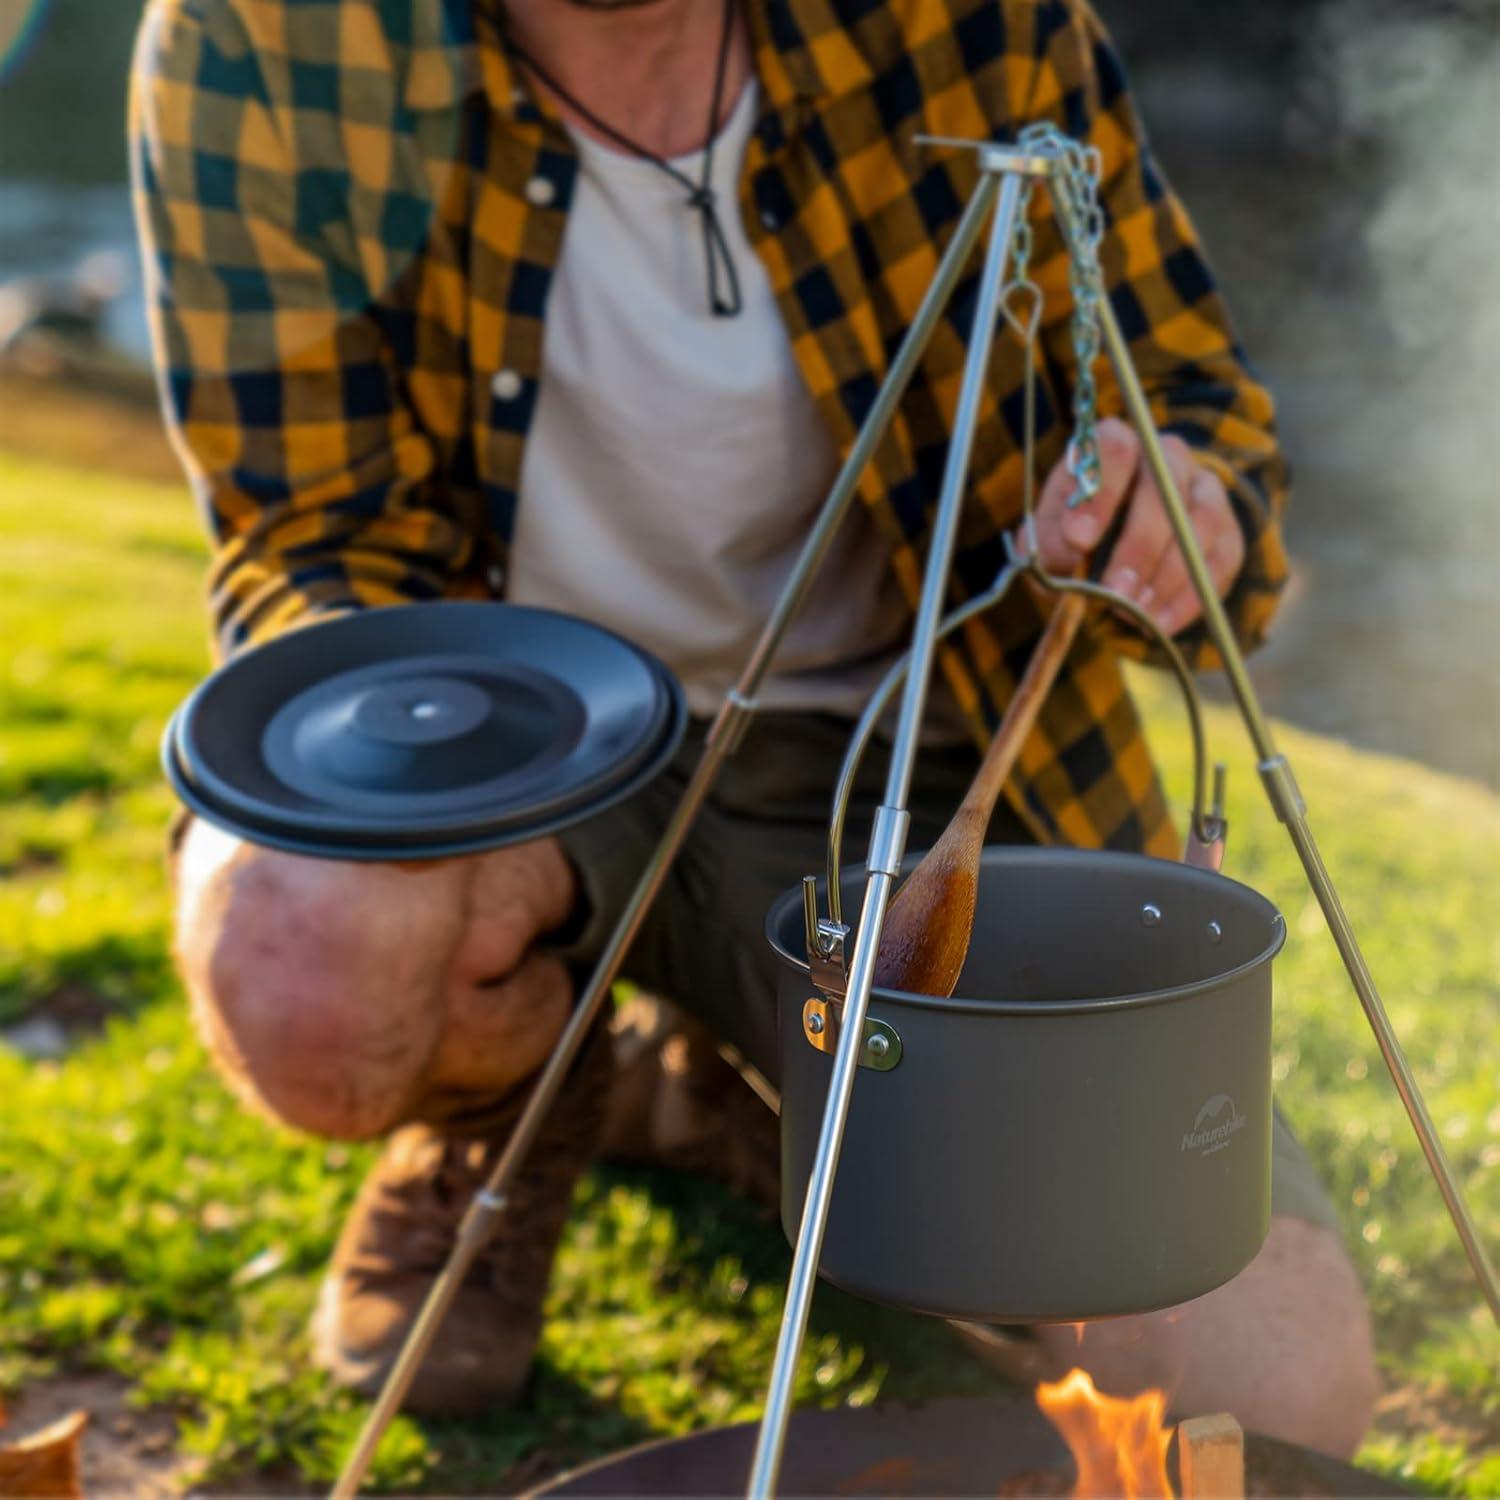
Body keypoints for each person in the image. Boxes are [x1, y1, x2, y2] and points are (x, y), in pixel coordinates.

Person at [130, 0, 1378, 1457]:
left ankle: (720, 1088)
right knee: (298, 956)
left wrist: (1187, 504)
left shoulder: (972, 20)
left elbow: (1196, 403)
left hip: (921, 775)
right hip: (521, 760)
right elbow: (310, 532)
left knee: (1274, 1392)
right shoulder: (266, 38)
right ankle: (514, 1077)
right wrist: (408, 811)